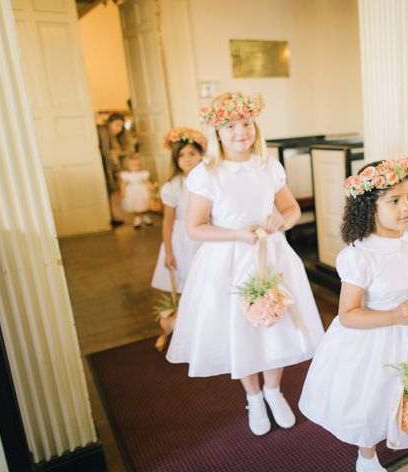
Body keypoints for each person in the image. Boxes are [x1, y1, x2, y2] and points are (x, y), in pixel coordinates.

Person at [165, 92, 325, 436]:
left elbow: (291, 209)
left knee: (276, 326)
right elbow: (195, 227)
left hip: (271, 256)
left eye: (247, 123)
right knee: (240, 332)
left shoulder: (267, 165)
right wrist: (237, 234)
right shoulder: (207, 174)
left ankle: (273, 390)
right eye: (231, 126)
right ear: (217, 133)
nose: (241, 131)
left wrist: (282, 222)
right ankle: (253, 397)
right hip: (229, 261)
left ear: (255, 127)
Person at [298, 158, 408, 472]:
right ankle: (367, 455)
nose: (407, 207)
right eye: (395, 201)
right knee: (371, 399)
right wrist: (394, 316)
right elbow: (348, 315)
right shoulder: (360, 256)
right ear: (369, 207)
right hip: (374, 339)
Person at [151, 127, 206, 294]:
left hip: (206, 235)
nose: (187, 159)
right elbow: (168, 221)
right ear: (175, 159)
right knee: (189, 281)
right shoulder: (172, 186)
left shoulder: (208, 180)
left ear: (201, 155)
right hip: (183, 239)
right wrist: (168, 252)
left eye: (191, 154)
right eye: (181, 155)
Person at [97, 112, 137, 227]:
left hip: (107, 167)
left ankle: (111, 217)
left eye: (121, 126)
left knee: (109, 192)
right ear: (110, 123)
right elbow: (106, 153)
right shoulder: (104, 132)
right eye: (117, 125)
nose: (119, 129)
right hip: (104, 167)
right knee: (107, 191)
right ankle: (109, 217)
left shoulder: (116, 137)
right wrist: (115, 170)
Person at [119, 156, 155, 228]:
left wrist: (152, 187)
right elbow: (123, 184)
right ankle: (137, 219)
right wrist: (122, 192)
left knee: (144, 204)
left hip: (142, 191)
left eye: (139, 165)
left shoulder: (143, 173)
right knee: (135, 205)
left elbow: (146, 182)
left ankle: (146, 217)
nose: (137, 167)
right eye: (134, 165)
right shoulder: (126, 174)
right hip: (132, 192)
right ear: (128, 166)